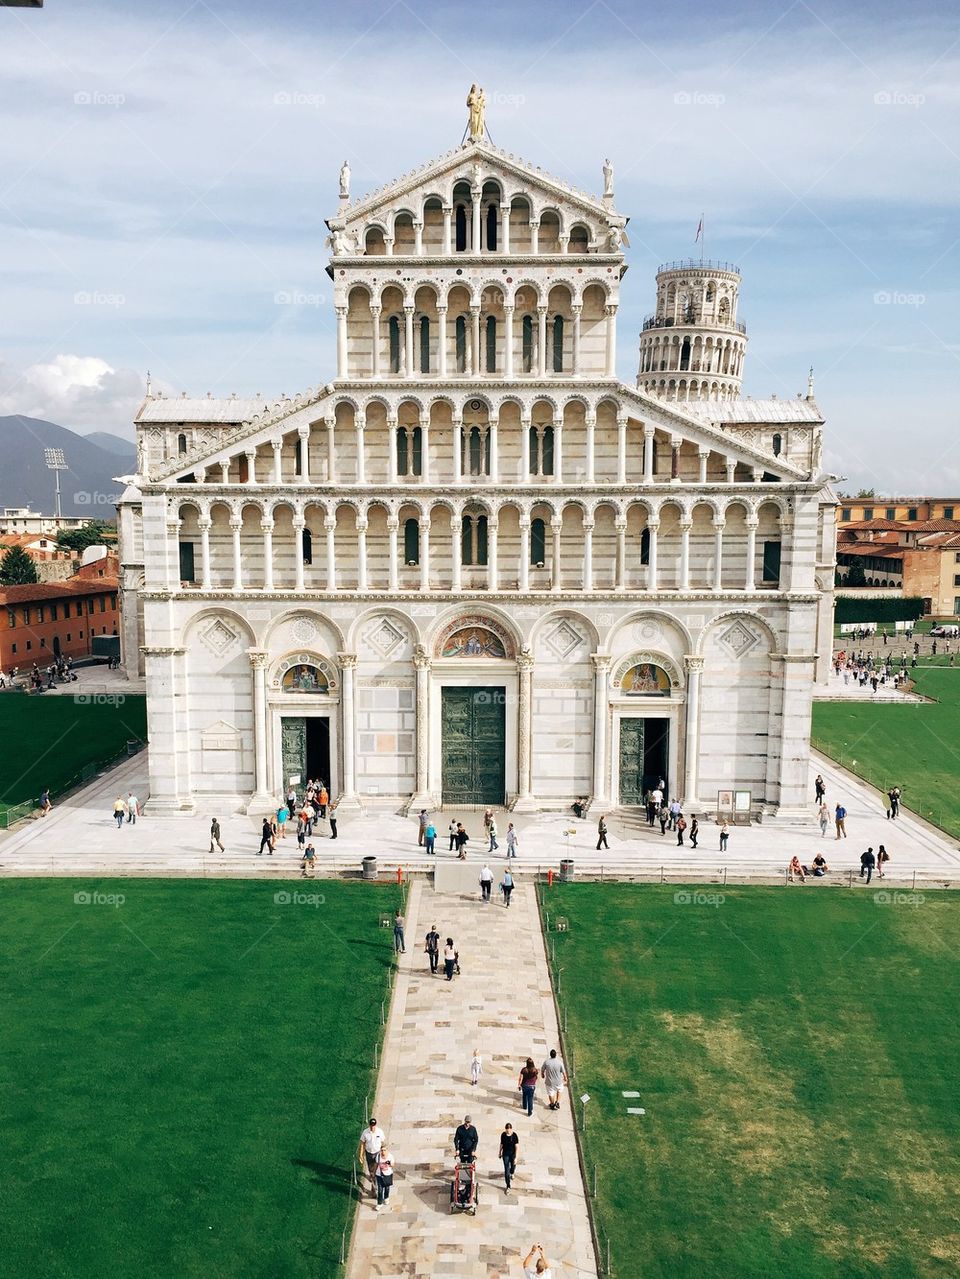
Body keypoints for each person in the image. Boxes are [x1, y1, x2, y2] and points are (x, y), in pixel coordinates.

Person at [357, 1118, 386, 1197]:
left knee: (375, 1173)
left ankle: (374, 1191)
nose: (372, 1127)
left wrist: (384, 1153)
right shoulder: (365, 1133)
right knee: (371, 1171)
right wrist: (361, 1154)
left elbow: (383, 1143)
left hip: (377, 1153)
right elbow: (362, 1143)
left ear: (375, 1125)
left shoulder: (380, 1132)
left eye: (374, 1125)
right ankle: (372, 1179)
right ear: (369, 1125)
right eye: (371, 1125)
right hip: (369, 1154)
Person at [499, 1122, 519, 1191]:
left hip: (512, 1154)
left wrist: (516, 1157)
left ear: (511, 1129)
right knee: (506, 1170)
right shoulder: (503, 1135)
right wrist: (499, 1152)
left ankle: (512, 1172)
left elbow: (517, 1147)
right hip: (505, 1154)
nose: (508, 1130)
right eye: (507, 1129)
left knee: (513, 1167)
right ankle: (508, 1185)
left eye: (509, 1129)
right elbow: (501, 1144)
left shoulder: (514, 1135)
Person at [375, 1146, 394, 1213]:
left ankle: (386, 1198)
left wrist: (389, 1163)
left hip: (387, 1174)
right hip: (379, 1175)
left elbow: (393, 1164)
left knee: (387, 1188)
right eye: (382, 1150)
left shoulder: (390, 1156)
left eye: (384, 1150)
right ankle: (379, 1203)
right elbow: (377, 1164)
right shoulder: (378, 1156)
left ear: (387, 1150)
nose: (383, 1152)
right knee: (380, 1190)